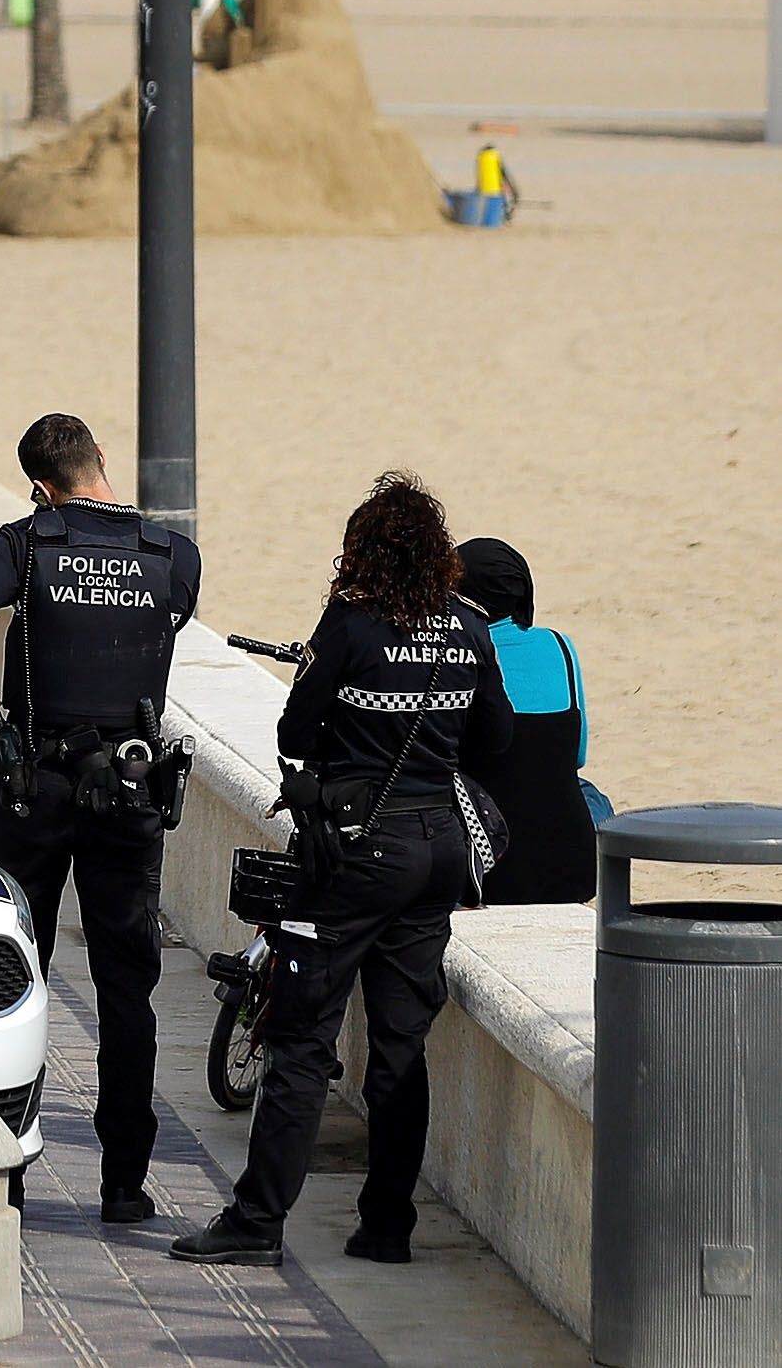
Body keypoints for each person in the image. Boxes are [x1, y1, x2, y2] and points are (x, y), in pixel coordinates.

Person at [175, 473, 512, 1268]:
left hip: (359, 853)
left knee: (300, 1040)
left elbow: (295, 726)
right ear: (438, 554)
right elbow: (495, 739)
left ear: (361, 548)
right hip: (438, 851)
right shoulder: (468, 626)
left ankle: (258, 1222)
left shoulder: (352, 620)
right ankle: (387, 1226)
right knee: (402, 1045)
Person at [0, 413, 201, 1226]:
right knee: (128, 989)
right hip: (130, 789)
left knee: (17, 973)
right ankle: (125, 1184)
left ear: (41, 486)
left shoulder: (26, 544)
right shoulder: (171, 555)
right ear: (101, 461)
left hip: (35, 785)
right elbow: (166, 619)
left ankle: (3, 1167)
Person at [452, 536, 597, 905]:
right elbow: (576, 757)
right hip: (572, 868)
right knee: (591, 794)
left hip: (493, 868)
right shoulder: (561, 646)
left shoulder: (457, 654)